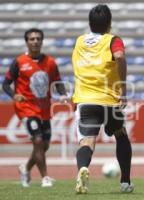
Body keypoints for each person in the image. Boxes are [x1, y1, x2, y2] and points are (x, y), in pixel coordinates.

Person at [72, 4, 133, 194]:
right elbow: (120, 56)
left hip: (86, 100)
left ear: (90, 23)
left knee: (87, 142)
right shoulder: (113, 40)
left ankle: (83, 168)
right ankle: (125, 182)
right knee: (120, 135)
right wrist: (122, 87)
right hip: (109, 100)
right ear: (110, 24)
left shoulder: (80, 41)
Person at [2, 28, 67, 187]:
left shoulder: (50, 62)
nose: (35, 41)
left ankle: (25, 168)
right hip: (25, 108)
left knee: (44, 145)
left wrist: (63, 94)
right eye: (32, 39)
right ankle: (45, 177)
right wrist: (14, 95)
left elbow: (57, 81)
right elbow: (5, 84)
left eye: (38, 38)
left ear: (42, 41)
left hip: (44, 108)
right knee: (37, 140)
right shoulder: (19, 62)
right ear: (27, 42)